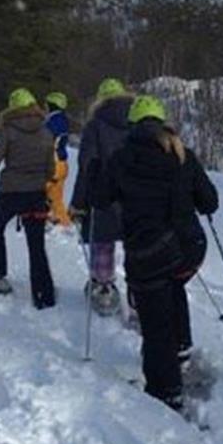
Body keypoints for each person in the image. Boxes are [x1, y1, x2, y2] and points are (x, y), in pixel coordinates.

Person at [93, 95, 218, 412]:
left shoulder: (122, 159)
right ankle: (181, 354)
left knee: (155, 322)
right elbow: (210, 202)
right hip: (189, 249)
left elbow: (100, 199)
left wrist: (97, 173)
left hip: (148, 252)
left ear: (132, 125)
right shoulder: (181, 154)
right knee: (173, 289)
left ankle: (166, 391)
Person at [0, 88, 57, 309]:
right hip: (36, 194)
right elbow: (50, 172)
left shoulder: (8, 131)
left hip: (10, 192)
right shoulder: (47, 133)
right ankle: (44, 293)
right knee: (36, 244)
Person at [70, 78, 133, 316]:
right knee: (135, 243)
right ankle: (138, 293)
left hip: (103, 193)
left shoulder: (95, 126)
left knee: (102, 240)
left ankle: (104, 288)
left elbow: (87, 165)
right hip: (134, 196)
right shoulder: (138, 122)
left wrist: (78, 202)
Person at [44, 92, 73, 227]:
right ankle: (63, 223)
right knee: (56, 197)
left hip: (53, 163)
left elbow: (45, 140)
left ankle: (44, 220)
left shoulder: (54, 121)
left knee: (39, 192)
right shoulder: (62, 120)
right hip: (61, 163)